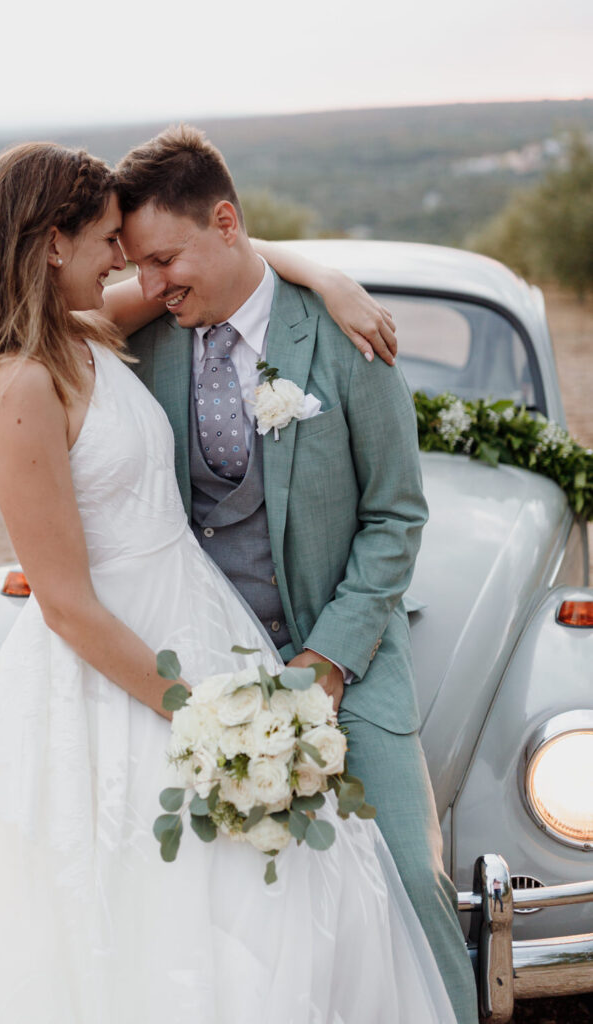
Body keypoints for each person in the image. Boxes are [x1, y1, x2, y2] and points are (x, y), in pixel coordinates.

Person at [0, 140, 458, 1023]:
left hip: (271, 638)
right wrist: (209, 719)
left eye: (143, 250)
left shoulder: (90, 331)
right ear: (50, 245)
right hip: (144, 664)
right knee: (150, 907)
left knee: (381, 881)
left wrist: (325, 279)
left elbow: (392, 512)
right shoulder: (45, 364)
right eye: (114, 244)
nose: (131, 267)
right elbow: (64, 601)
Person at [115, 125, 478, 1024]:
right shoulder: (147, 339)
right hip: (200, 663)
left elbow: (397, 516)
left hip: (343, 655)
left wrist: (325, 660)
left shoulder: (345, 336)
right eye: (137, 267)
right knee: (195, 899)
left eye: (162, 260)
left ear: (226, 223)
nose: (150, 285)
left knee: (403, 871)